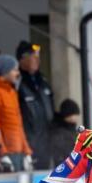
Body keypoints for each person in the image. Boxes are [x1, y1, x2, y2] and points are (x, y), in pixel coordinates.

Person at [0, 54, 33, 171]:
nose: (17, 73)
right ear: (5, 71)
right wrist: (2, 153)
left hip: (18, 151)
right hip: (6, 154)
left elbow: (18, 125)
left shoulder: (10, 91)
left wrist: (26, 151)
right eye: (14, 70)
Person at [17, 41, 55, 169]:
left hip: (46, 141)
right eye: (33, 57)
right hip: (28, 142)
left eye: (37, 57)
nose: (37, 60)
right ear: (22, 59)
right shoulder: (17, 84)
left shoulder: (42, 82)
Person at [49, 98, 81, 167]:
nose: (75, 117)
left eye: (76, 114)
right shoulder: (59, 133)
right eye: (72, 114)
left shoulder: (74, 131)